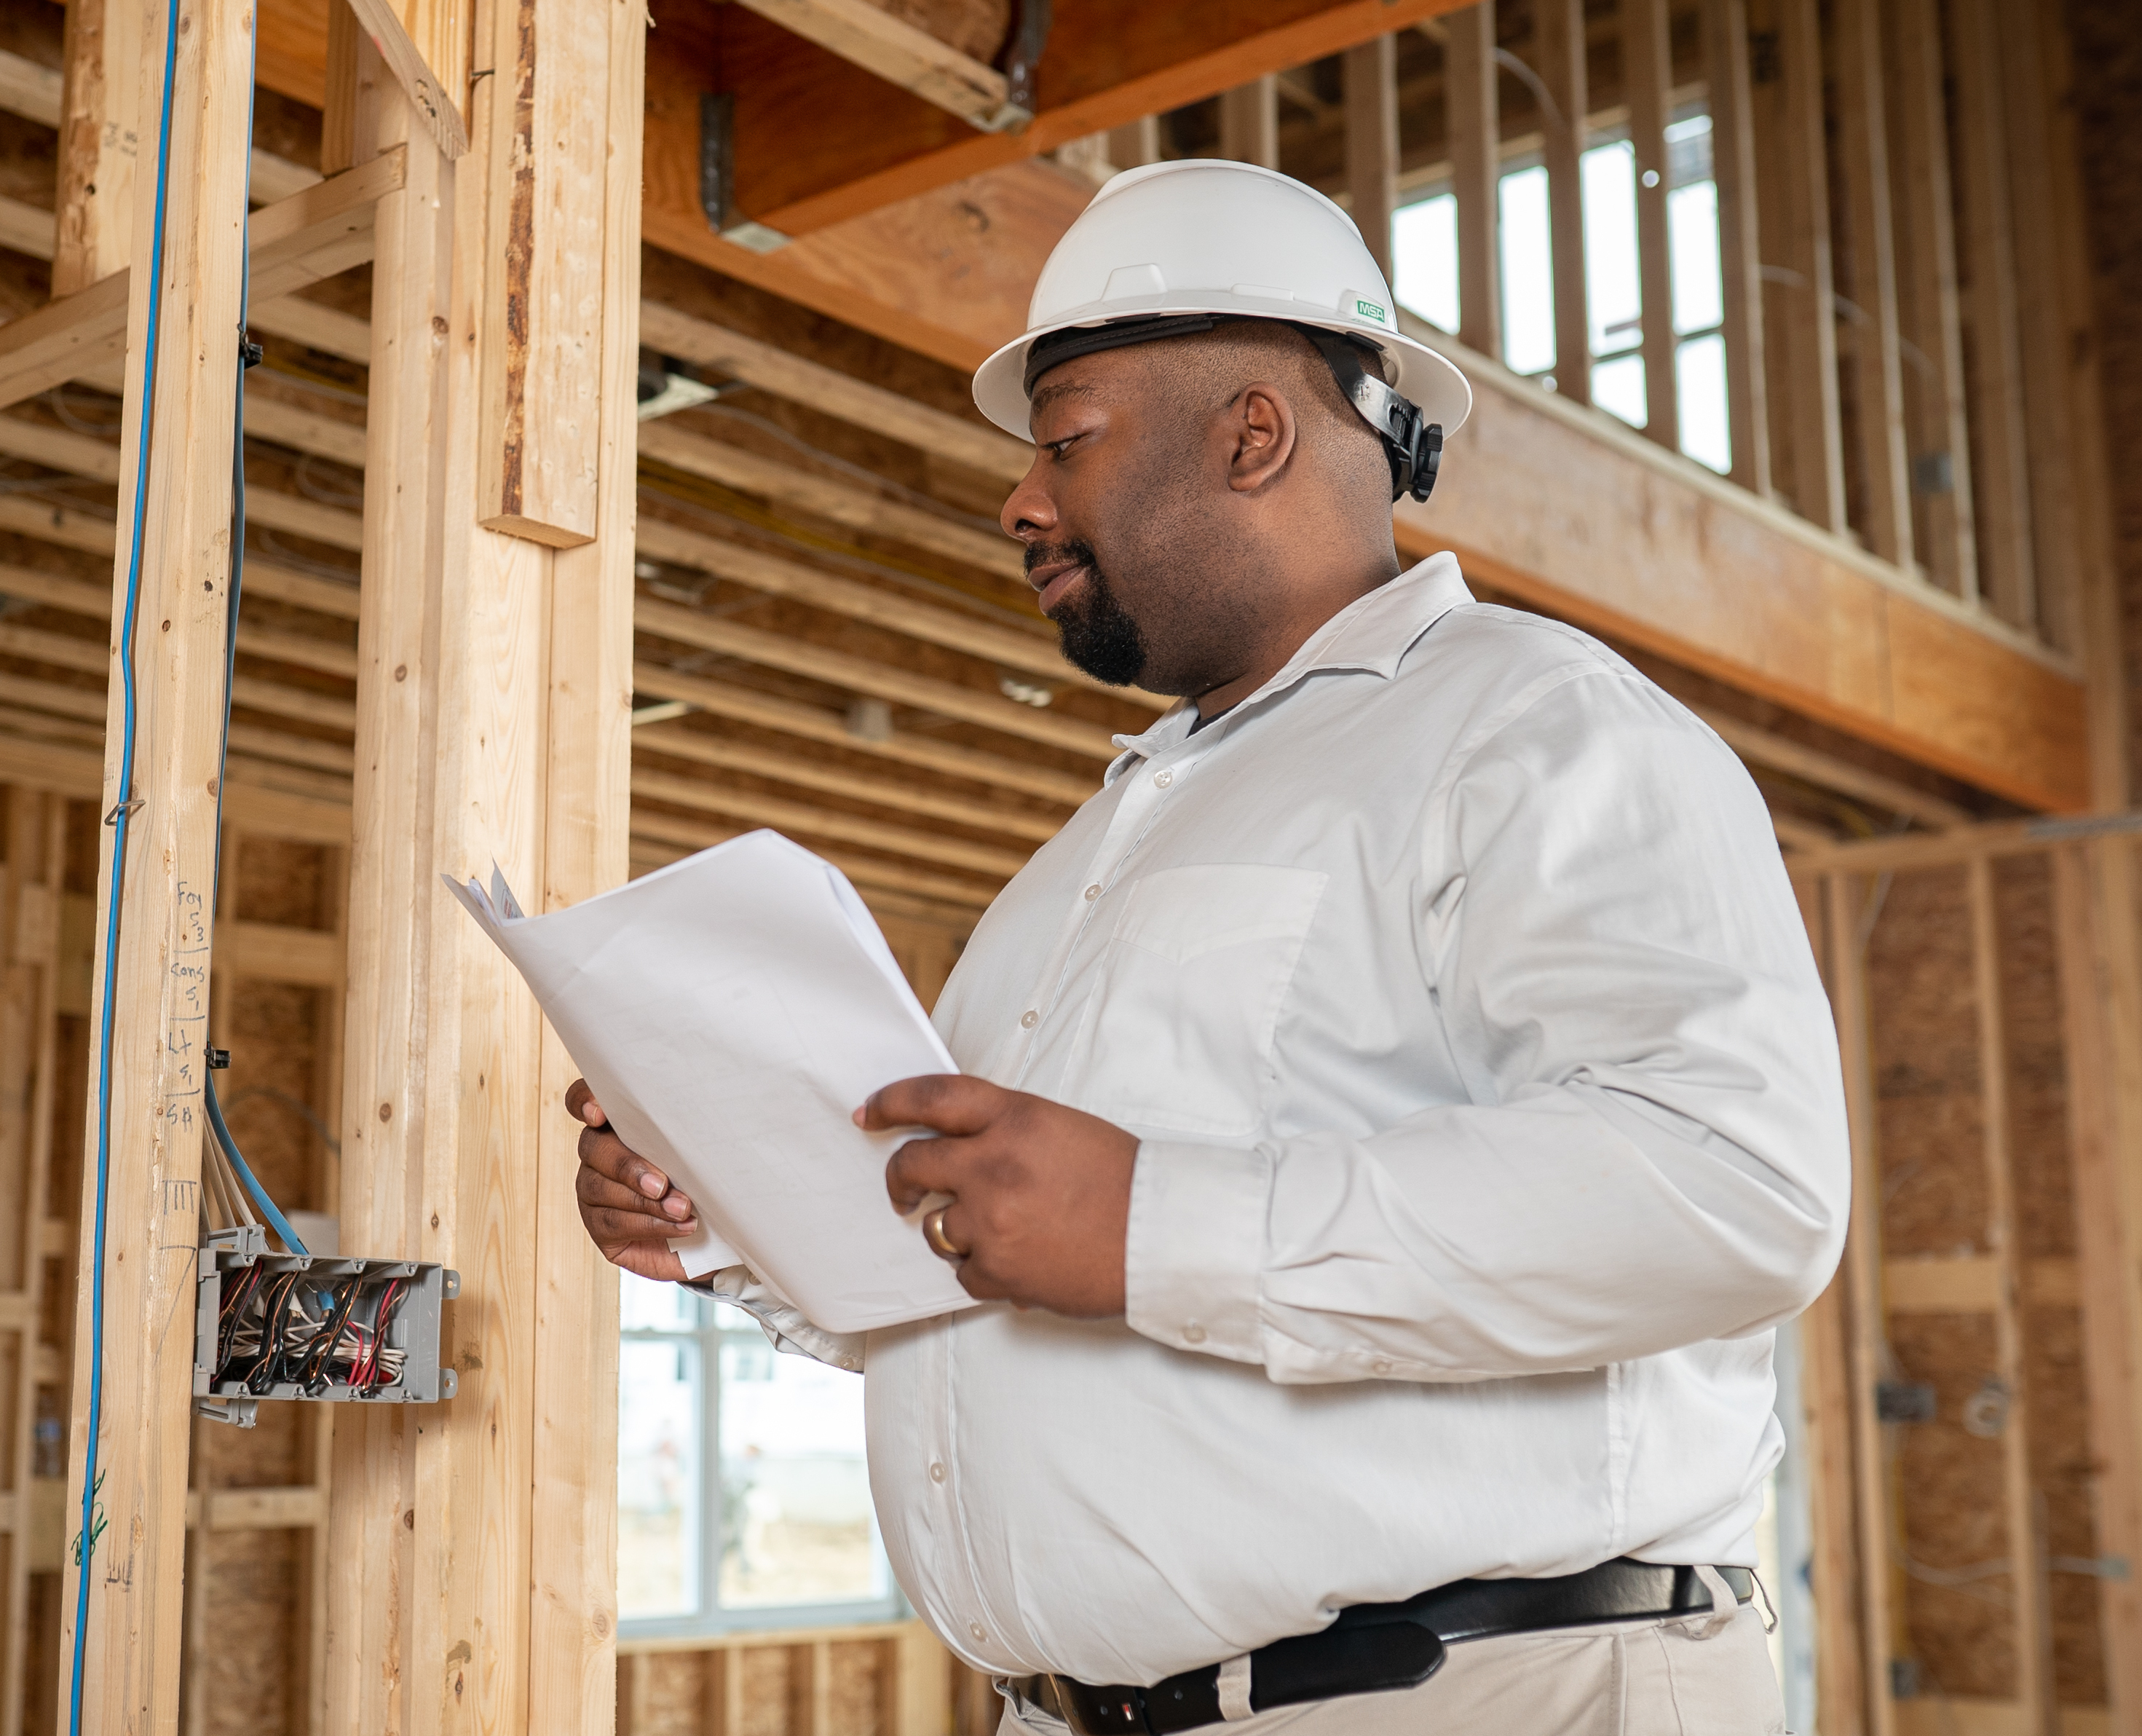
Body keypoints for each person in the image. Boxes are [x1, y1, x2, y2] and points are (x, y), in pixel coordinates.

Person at [572, 161, 1847, 1735]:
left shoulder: (1531, 727)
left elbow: (1734, 1187)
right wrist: (728, 1224)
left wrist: (1153, 1223)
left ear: (1252, 432)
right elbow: (1006, 1275)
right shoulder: (1085, 862)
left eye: (1065, 438)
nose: (1020, 499)